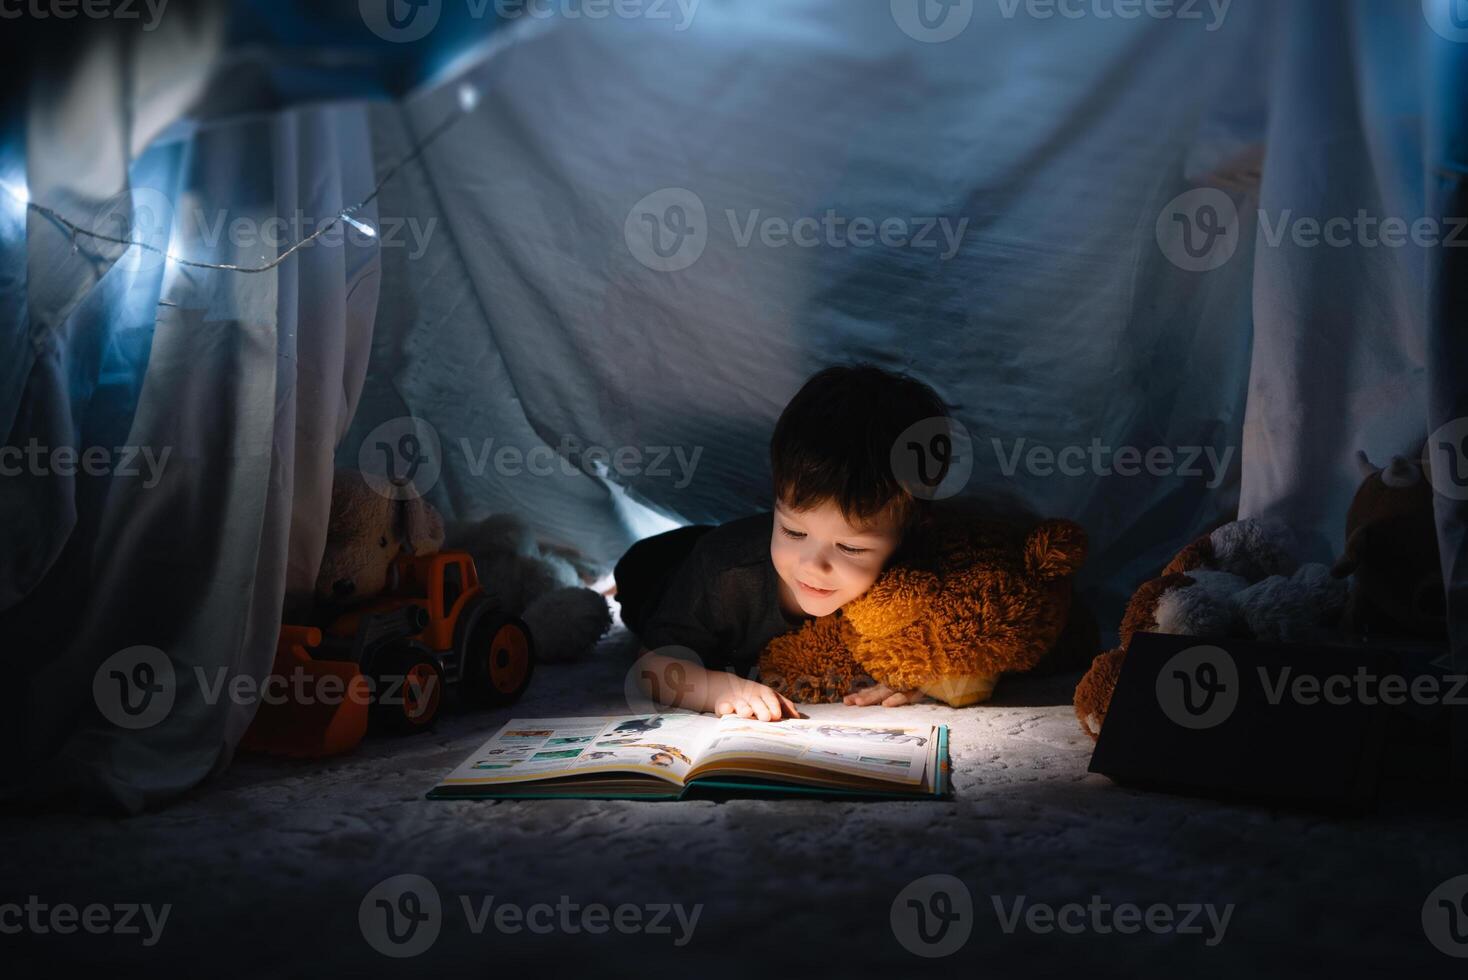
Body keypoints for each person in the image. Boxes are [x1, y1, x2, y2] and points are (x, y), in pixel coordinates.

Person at [614, 363, 953, 721]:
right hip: (658, 568)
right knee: (640, 577)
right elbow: (651, 667)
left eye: (850, 548)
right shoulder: (725, 573)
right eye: (793, 531)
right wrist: (722, 688)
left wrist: (914, 675)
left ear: (907, 533)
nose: (812, 565)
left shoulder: (912, 574)